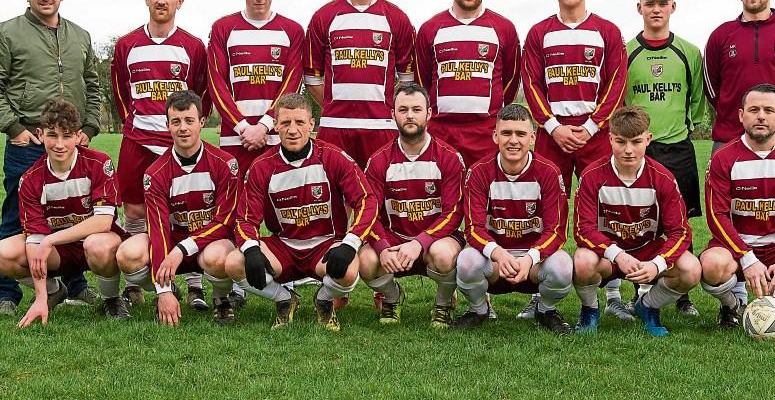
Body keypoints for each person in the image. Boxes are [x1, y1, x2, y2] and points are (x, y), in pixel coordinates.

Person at [518, 0, 627, 319]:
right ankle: (540, 292)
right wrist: (552, 127)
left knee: (604, 208)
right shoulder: (538, 33)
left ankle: (611, 293)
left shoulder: (607, 31)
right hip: (553, 134)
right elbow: (530, 83)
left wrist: (592, 126)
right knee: (548, 211)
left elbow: (616, 83)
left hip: (594, 133)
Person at [226, 92, 379, 332]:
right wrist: (251, 248)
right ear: (275, 126)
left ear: (311, 124)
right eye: (285, 123)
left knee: (349, 270)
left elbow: (367, 200)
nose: (292, 129)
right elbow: (245, 219)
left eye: (299, 122)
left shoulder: (333, 157)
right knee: (235, 262)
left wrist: (350, 243)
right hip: (284, 247)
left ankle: (324, 299)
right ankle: (284, 299)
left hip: (325, 246)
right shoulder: (261, 167)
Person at [603, 0, 707, 321]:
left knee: (682, 224)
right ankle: (640, 288)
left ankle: (682, 296)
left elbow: (696, 101)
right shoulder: (626, 52)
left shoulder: (690, 52)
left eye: (663, 3)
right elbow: (618, 97)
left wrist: (682, 128)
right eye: (650, 3)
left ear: (673, 6)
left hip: (676, 146)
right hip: (637, 149)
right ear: (639, 7)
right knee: (638, 219)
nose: (656, 9)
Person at [0, 0, 100, 315]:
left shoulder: (81, 35)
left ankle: (76, 287)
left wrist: (89, 126)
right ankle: (6, 294)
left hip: (70, 140)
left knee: (72, 212)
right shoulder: (8, 33)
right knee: (16, 214)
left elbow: (92, 84)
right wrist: (13, 127)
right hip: (27, 139)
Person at [702, 0, 775, 307]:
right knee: (731, 211)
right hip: (730, 135)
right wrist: (736, 117)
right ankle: (737, 299)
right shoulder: (721, 35)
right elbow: (712, 86)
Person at [111, 0, 211, 309]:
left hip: (178, 144)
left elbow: (200, 95)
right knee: (135, 210)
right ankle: (137, 284)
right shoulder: (127, 44)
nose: (162, 0)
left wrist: (186, 129)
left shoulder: (193, 46)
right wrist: (136, 125)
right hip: (138, 142)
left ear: (179, 2)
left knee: (191, 208)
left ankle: (195, 283)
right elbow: (121, 94)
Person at [572, 106, 699, 336]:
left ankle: (648, 306)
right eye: (620, 142)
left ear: (648, 139)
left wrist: (657, 264)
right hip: (608, 256)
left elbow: (680, 232)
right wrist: (617, 255)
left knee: (691, 269)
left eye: (636, 142)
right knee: (582, 261)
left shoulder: (663, 178)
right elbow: (583, 230)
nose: (628, 150)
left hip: (646, 253)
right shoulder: (592, 175)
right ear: (610, 139)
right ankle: (589, 310)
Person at [0, 99, 128, 326]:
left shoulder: (99, 163)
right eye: (52, 135)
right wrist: (39, 296)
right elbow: (34, 241)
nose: (59, 144)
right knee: (4, 252)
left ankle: (111, 299)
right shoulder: (30, 179)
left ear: (78, 136)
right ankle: (53, 291)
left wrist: (51, 239)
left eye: (67, 136)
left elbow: (103, 221)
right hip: (58, 253)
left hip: (95, 244)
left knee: (98, 245)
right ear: (40, 134)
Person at [115, 91, 238, 326]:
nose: (183, 128)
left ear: (202, 122)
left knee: (219, 257)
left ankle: (221, 299)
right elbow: (159, 228)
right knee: (127, 254)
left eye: (189, 121)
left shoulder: (225, 164)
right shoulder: (154, 173)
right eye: (176, 121)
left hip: (208, 243)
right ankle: (168, 287)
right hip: (172, 243)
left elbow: (225, 222)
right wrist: (163, 291)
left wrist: (182, 249)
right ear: (167, 125)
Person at [451, 104, 573, 333]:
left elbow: (556, 230)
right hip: (495, 263)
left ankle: (545, 309)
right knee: (466, 261)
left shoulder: (549, 172)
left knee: (563, 267)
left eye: (520, 134)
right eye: (506, 133)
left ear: (533, 138)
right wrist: (499, 254)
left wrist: (529, 259)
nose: (513, 140)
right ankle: (480, 309)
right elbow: (473, 229)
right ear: (495, 135)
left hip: (533, 263)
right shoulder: (478, 172)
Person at [304, 0, 415, 168]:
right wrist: (336, 105)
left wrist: (382, 106)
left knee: (382, 198)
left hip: (382, 127)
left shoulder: (397, 18)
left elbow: (407, 79)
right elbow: (312, 78)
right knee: (333, 199)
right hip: (334, 126)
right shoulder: (323, 17)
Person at [360, 82, 465, 327]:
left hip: (434, 240)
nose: (410, 115)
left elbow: (454, 213)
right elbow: (369, 214)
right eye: (403, 109)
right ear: (392, 114)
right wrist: (383, 247)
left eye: (416, 109)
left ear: (429, 113)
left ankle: (443, 304)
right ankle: (393, 297)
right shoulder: (378, 161)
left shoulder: (449, 157)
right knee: (366, 260)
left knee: (444, 254)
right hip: (395, 239)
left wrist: (420, 243)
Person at [700, 84, 775, 327]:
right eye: (754, 109)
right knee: (711, 266)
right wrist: (746, 257)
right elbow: (717, 216)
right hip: (739, 247)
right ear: (741, 115)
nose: (761, 116)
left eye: (768, 110)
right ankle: (733, 306)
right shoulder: (723, 158)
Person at [414, 0, 520, 168]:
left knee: (482, 199)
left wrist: (491, 114)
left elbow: (510, 81)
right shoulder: (430, 29)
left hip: (486, 135)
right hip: (441, 133)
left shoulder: (504, 28)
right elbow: (422, 83)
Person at [207, 0, 304, 174]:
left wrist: (264, 126)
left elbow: (292, 83)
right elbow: (216, 83)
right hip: (236, 138)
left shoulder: (292, 31)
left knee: (279, 203)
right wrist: (243, 127)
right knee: (236, 204)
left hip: (277, 136)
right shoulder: (223, 28)